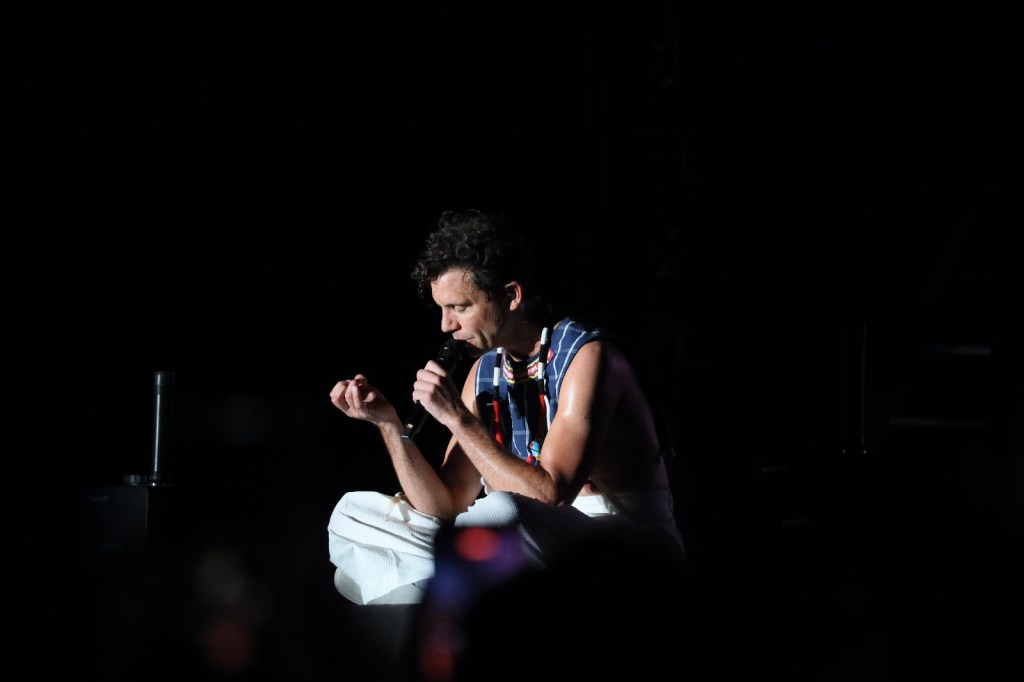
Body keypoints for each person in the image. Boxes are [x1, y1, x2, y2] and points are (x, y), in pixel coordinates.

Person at [327, 209, 686, 606]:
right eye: (441, 309)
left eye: (460, 307)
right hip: (529, 542)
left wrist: (458, 419)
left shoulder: (588, 357)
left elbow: (551, 494)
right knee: (355, 515)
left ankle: (455, 570)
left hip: (623, 546)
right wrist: (390, 426)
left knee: (501, 510)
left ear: (511, 295)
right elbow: (446, 505)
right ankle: (459, 569)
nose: (446, 326)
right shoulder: (484, 371)